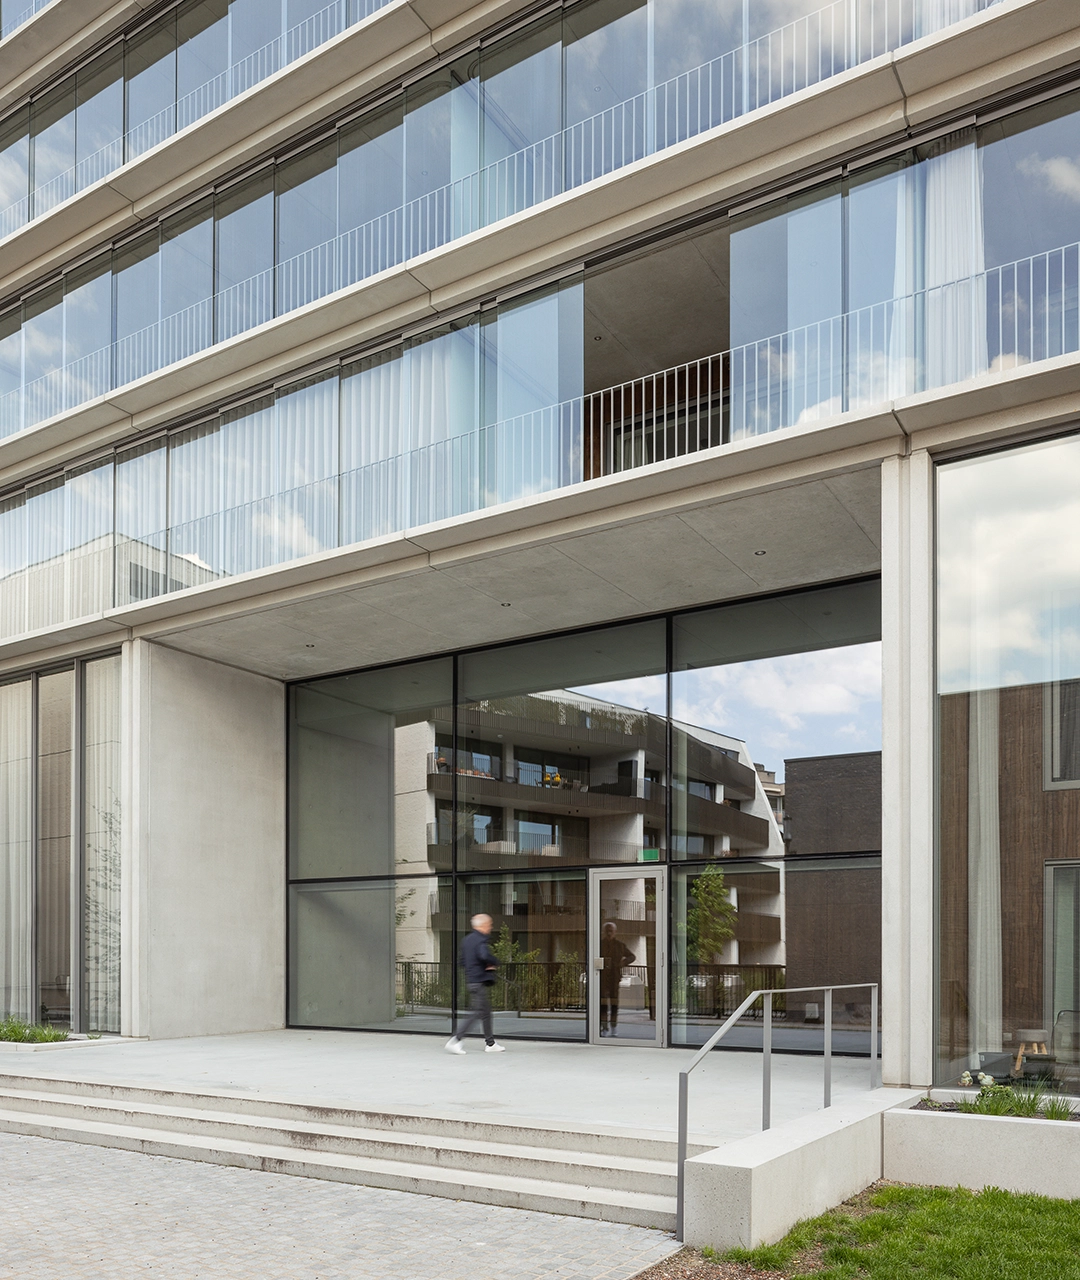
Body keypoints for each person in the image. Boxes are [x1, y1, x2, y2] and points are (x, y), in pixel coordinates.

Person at [445, 913, 505, 1054]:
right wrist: (493, 962)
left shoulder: (466, 940)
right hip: (478, 980)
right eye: (489, 925)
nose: (490, 928)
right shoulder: (480, 940)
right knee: (477, 1012)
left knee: (485, 1012)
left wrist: (472, 969)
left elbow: (462, 961)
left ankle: (490, 1043)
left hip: (471, 980)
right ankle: (456, 1040)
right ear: (483, 926)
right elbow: (484, 955)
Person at [599, 920, 635, 1036]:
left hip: (614, 977)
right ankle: (604, 1028)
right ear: (604, 932)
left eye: (611, 931)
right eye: (607, 931)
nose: (609, 933)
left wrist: (623, 963)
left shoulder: (620, 945)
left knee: (614, 1004)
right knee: (603, 1004)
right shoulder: (599, 945)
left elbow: (632, 956)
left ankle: (613, 1026)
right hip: (602, 977)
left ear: (615, 932)